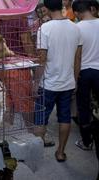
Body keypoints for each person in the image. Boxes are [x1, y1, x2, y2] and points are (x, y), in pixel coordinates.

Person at [34, 0, 82, 162]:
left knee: (41, 119)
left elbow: (42, 60)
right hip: (67, 83)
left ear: (46, 8)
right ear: (61, 7)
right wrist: (74, 80)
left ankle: (38, 155)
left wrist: (35, 82)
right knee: (64, 118)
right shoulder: (76, 27)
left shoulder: (44, 28)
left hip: (47, 83)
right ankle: (60, 152)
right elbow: (77, 59)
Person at [72, 0, 99, 151]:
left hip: (84, 72)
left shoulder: (77, 28)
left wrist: (75, 79)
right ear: (91, 9)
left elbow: (77, 57)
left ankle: (87, 141)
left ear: (76, 13)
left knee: (83, 108)